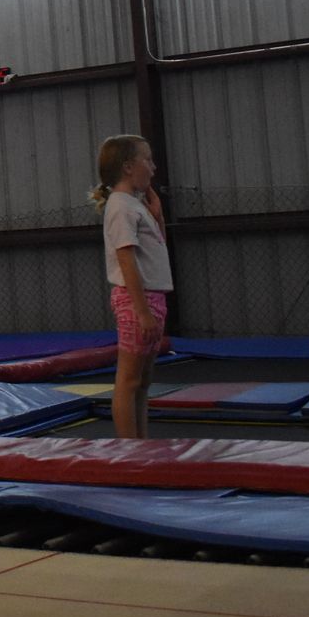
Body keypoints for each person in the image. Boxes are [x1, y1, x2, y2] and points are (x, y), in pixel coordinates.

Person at [92, 135, 171, 439]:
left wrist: (158, 216)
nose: (153, 167)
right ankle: (129, 449)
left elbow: (157, 248)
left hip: (151, 297)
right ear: (128, 167)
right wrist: (142, 313)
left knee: (143, 380)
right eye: (147, 160)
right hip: (136, 300)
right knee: (128, 380)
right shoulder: (121, 207)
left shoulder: (133, 206)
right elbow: (127, 262)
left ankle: (140, 442)